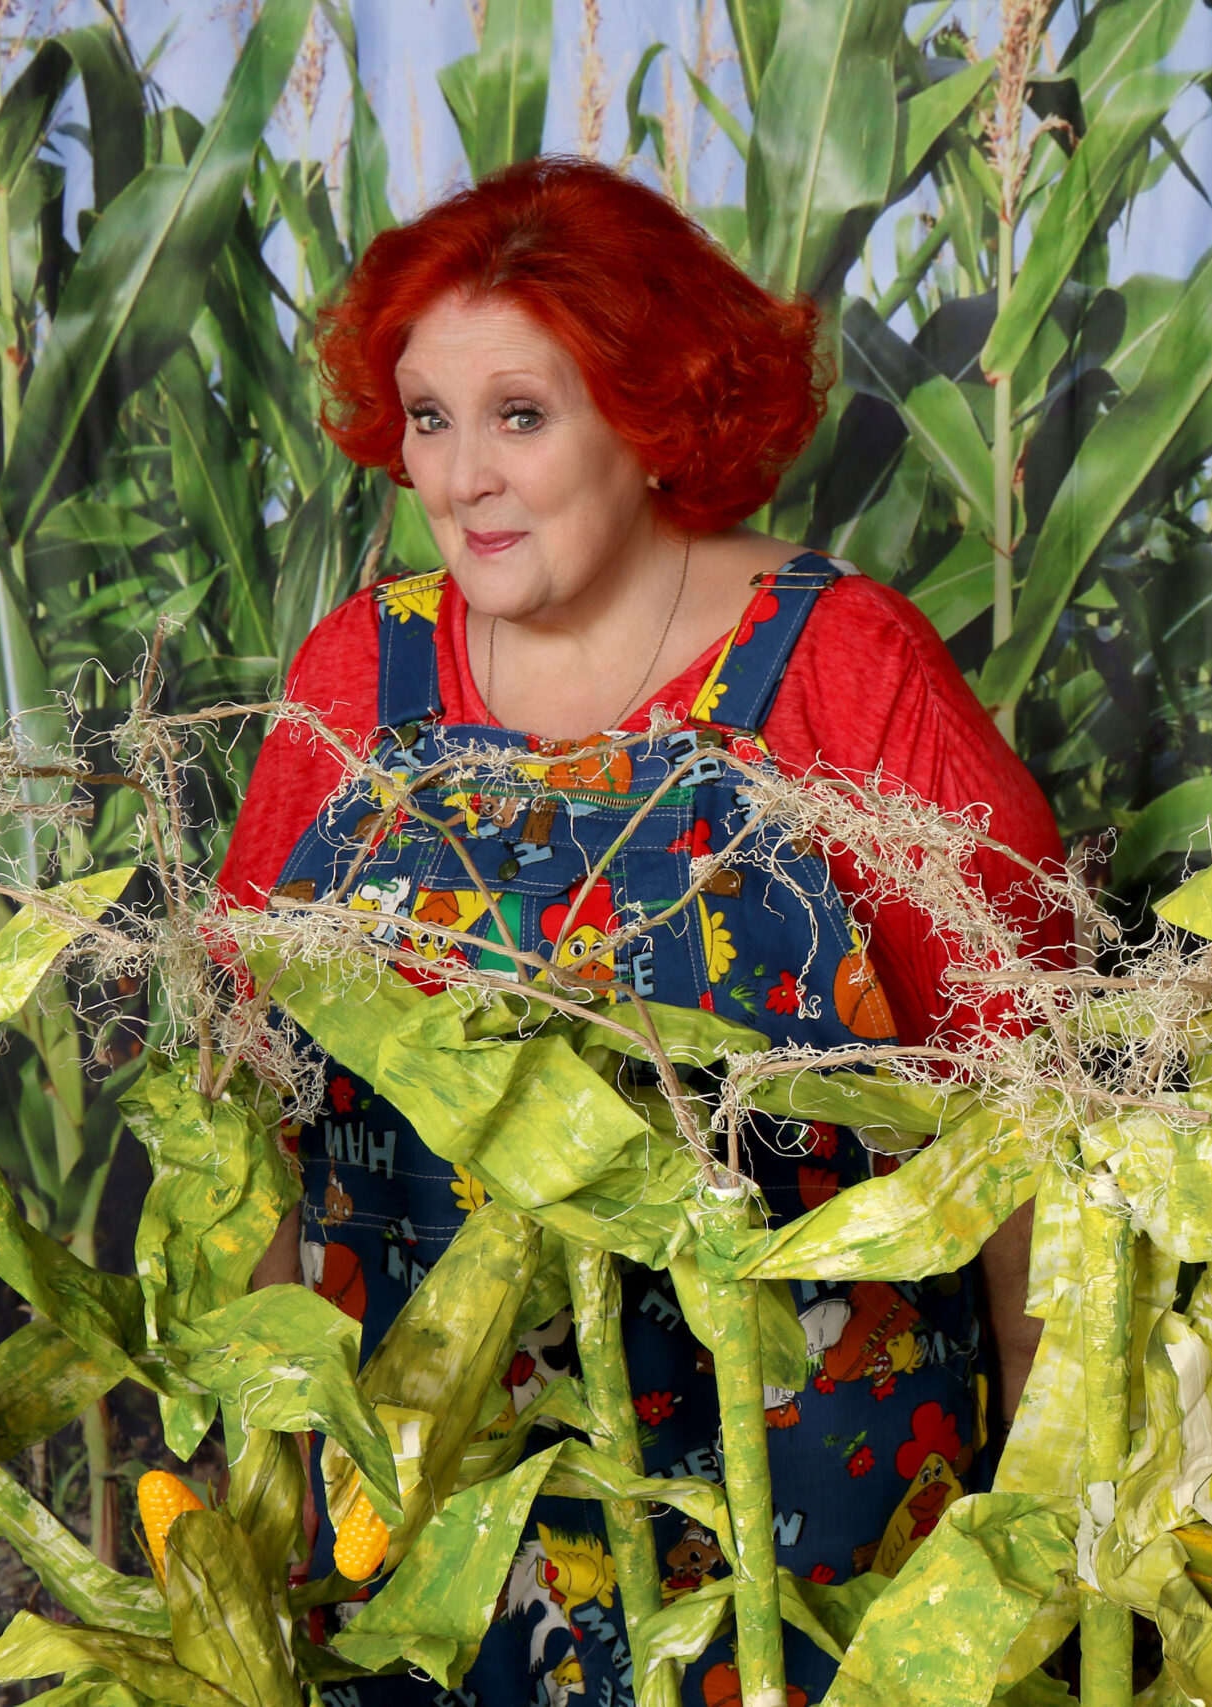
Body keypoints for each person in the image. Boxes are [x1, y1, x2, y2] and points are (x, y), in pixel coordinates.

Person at [216, 154, 1064, 1706]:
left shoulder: (841, 668)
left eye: (519, 416)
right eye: (430, 418)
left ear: (651, 414)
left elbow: (1028, 1115)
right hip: (428, 1501)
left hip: (802, 1511)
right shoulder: (354, 678)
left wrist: (1052, 1488)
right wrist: (262, 1482)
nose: (463, 477)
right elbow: (247, 1096)